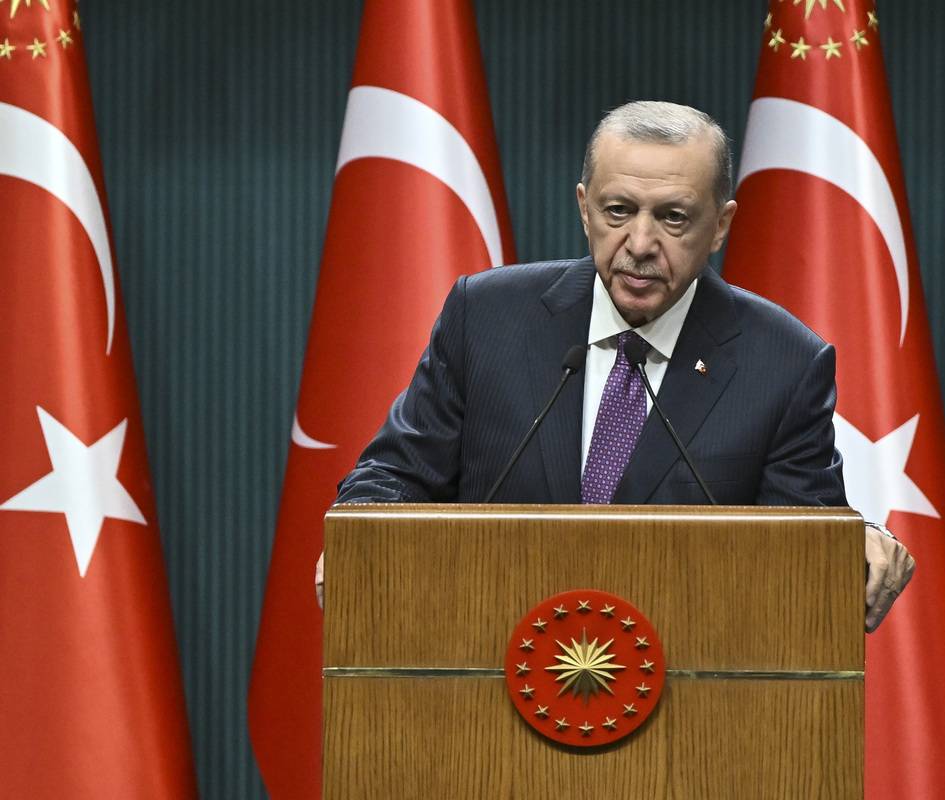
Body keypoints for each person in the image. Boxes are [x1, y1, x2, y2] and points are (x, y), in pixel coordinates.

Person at [320, 101, 914, 631]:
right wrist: (357, 530)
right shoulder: (486, 317)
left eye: (673, 217)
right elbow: (396, 477)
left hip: (688, 712)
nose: (639, 241)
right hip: (488, 682)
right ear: (585, 209)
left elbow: (807, 546)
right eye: (618, 210)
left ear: (720, 226)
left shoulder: (783, 363)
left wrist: (858, 545)